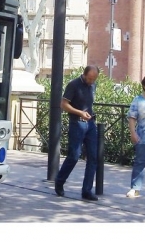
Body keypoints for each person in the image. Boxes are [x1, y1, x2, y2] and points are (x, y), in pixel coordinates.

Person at [54, 65, 100, 201]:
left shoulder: (93, 86)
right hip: (77, 123)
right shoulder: (73, 85)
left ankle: (87, 190)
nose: (91, 81)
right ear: (84, 75)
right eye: (90, 78)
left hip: (90, 124)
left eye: (94, 79)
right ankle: (60, 181)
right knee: (74, 155)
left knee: (93, 157)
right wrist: (80, 112)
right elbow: (64, 104)